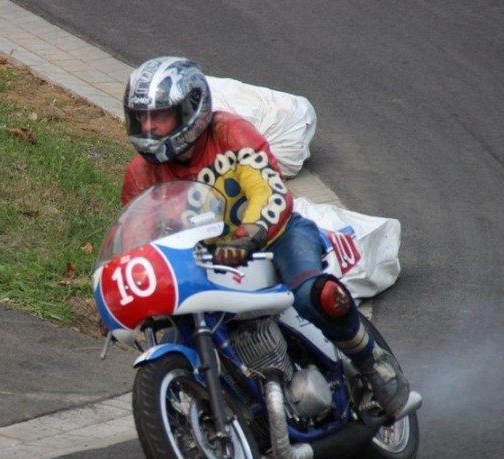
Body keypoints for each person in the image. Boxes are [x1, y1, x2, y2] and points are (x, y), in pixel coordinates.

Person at [120, 56, 410, 418]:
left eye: (159, 116)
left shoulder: (228, 132)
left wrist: (248, 237)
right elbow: (137, 239)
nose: (148, 127)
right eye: (140, 116)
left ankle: (374, 365)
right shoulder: (140, 173)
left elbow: (268, 191)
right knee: (178, 341)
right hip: (206, 266)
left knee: (314, 294)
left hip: (276, 239)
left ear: (191, 109)